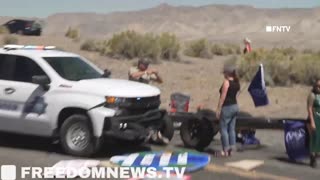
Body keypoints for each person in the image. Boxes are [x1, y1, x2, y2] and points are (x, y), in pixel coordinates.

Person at [216, 65, 240, 157]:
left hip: (227, 107)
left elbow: (223, 96)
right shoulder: (236, 82)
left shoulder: (226, 82)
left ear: (227, 73)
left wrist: (218, 108)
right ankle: (232, 148)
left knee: (223, 129)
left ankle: (225, 150)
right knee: (231, 129)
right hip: (235, 106)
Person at [307, 79, 320, 168]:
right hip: (313, 119)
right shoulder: (312, 95)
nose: (318, 88)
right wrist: (312, 122)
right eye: (317, 86)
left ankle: (316, 155)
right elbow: (309, 109)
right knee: (314, 138)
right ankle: (312, 158)